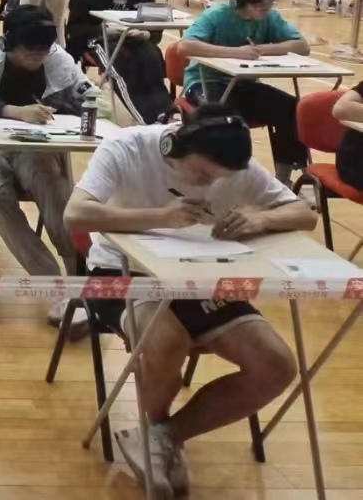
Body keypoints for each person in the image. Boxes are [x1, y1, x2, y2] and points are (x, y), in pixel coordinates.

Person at [64, 106, 314, 498]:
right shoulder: (126, 147)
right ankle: (157, 433)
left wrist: (261, 219)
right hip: (122, 271)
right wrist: (160, 217)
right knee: (165, 341)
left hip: (200, 276)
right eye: (201, 174)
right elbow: (76, 214)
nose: (208, 184)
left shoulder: (234, 164)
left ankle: (161, 438)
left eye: (218, 179)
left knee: (277, 366)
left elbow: (305, 214)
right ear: (176, 143)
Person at [0, 5, 98, 328]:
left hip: (34, 146)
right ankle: (54, 286)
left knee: (55, 188)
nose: (38, 58)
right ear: (9, 44)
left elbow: (96, 100)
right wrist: (14, 111)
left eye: (44, 51)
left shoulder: (56, 58)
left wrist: (65, 105)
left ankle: (79, 281)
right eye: (30, 52)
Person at [177, 0, 311, 184]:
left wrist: (263, 49)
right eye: (260, 6)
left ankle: (283, 178)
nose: (265, 10)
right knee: (225, 117)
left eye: (269, 5)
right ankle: (227, 177)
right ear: (244, 0)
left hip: (242, 85)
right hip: (205, 82)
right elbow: (185, 46)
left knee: (291, 108)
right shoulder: (217, 14)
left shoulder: (270, 17)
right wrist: (235, 52)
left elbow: (302, 46)